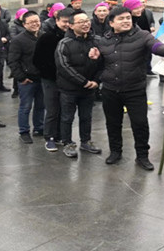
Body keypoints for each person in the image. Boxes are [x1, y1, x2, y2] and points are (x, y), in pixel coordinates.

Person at [89, 6, 164, 171]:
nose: (126, 21)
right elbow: (101, 64)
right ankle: (115, 151)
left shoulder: (143, 36)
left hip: (134, 89)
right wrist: (95, 58)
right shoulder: (104, 41)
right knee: (113, 123)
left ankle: (142, 156)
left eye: (128, 18)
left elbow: (156, 47)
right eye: (121, 19)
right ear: (111, 23)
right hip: (110, 89)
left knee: (140, 123)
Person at [55, 9, 102, 158]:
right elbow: (63, 66)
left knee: (86, 116)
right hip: (69, 89)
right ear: (71, 25)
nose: (85, 24)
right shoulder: (64, 43)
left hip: (90, 88)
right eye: (81, 22)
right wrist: (84, 81)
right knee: (67, 117)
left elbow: (104, 63)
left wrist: (96, 81)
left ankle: (86, 141)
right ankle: (67, 143)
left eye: (87, 21)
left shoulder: (97, 41)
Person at [33, 8, 72, 151]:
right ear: (57, 21)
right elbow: (37, 60)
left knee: (65, 109)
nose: (67, 25)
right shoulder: (47, 37)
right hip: (51, 79)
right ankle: (49, 137)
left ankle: (61, 135)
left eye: (69, 22)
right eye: (64, 22)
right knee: (52, 109)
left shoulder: (75, 36)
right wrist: (51, 73)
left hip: (69, 80)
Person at [8, 11, 43, 143]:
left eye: (37, 21)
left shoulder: (43, 36)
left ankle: (39, 128)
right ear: (24, 24)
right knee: (25, 106)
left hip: (42, 78)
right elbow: (13, 61)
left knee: (41, 105)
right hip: (27, 80)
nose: (35, 24)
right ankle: (24, 131)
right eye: (31, 22)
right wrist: (21, 77)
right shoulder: (18, 40)